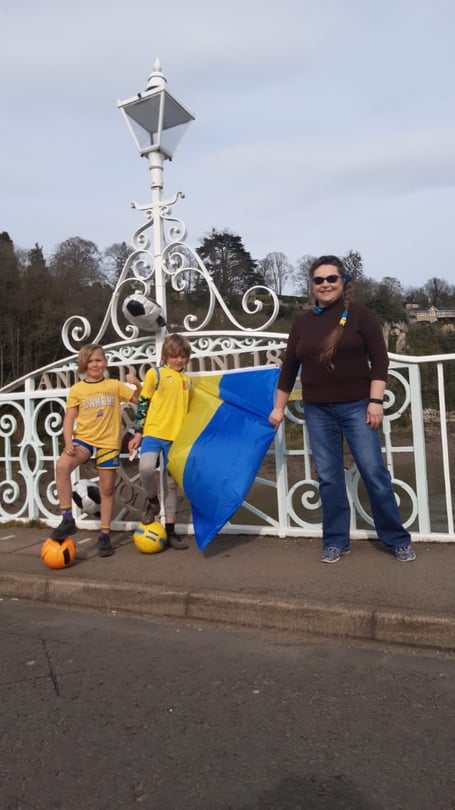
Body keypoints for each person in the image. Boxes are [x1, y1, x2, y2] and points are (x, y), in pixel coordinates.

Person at [268, 255, 416, 564]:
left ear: (342, 282)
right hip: (317, 411)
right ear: (312, 286)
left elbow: (380, 360)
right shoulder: (302, 323)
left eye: (331, 279)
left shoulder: (360, 315)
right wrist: (278, 409)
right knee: (329, 477)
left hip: (358, 406)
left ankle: (396, 538)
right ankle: (336, 540)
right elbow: (288, 369)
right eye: (318, 280)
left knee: (373, 471)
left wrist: (375, 401)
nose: (324, 284)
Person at [51, 343, 141, 557]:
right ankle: (67, 518)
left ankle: (104, 535)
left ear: (105, 362)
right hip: (84, 441)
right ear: (83, 364)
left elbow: (141, 401)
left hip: (108, 444)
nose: (95, 364)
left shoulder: (114, 385)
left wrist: (137, 383)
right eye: (90, 361)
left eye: (98, 360)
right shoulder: (77, 390)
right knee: (62, 466)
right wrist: (67, 441)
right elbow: (69, 417)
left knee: (107, 488)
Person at [127, 333, 192, 551]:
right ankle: (151, 499)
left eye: (183, 356)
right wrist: (138, 433)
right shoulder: (155, 374)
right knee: (146, 467)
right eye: (174, 356)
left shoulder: (187, 381)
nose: (179, 360)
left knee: (172, 485)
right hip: (153, 433)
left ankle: (171, 530)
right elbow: (143, 403)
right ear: (166, 355)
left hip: (176, 438)